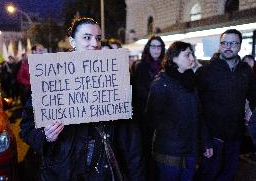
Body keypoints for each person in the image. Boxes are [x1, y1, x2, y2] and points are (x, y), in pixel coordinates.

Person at [20, 17, 145, 181]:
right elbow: (27, 128)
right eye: (87, 37)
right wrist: (46, 136)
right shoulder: (51, 77)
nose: (95, 43)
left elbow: (130, 138)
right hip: (64, 172)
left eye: (98, 38)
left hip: (104, 172)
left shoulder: (115, 78)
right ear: (73, 41)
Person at [195, 29, 256, 181]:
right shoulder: (205, 71)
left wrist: (251, 109)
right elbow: (196, 106)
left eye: (233, 43)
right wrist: (203, 138)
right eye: (224, 43)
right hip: (212, 137)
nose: (228, 47)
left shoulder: (246, 70)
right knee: (208, 173)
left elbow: (253, 94)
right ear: (220, 45)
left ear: (240, 46)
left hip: (235, 136)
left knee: (229, 173)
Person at [146, 41, 202, 181]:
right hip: (169, 150)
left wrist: (204, 141)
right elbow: (152, 118)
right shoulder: (161, 83)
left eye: (192, 54)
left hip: (190, 148)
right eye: (187, 55)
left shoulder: (190, 81)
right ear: (174, 58)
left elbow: (199, 113)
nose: (192, 59)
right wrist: (175, 130)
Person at [130, 35, 165, 177]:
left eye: (159, 46)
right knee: (147, 149)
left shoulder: (165, 65)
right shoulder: (141, 65)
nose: (156, 50)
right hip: (145, 116)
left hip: (161, 116)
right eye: (153, 46)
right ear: (148, 48)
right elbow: (140, 91)